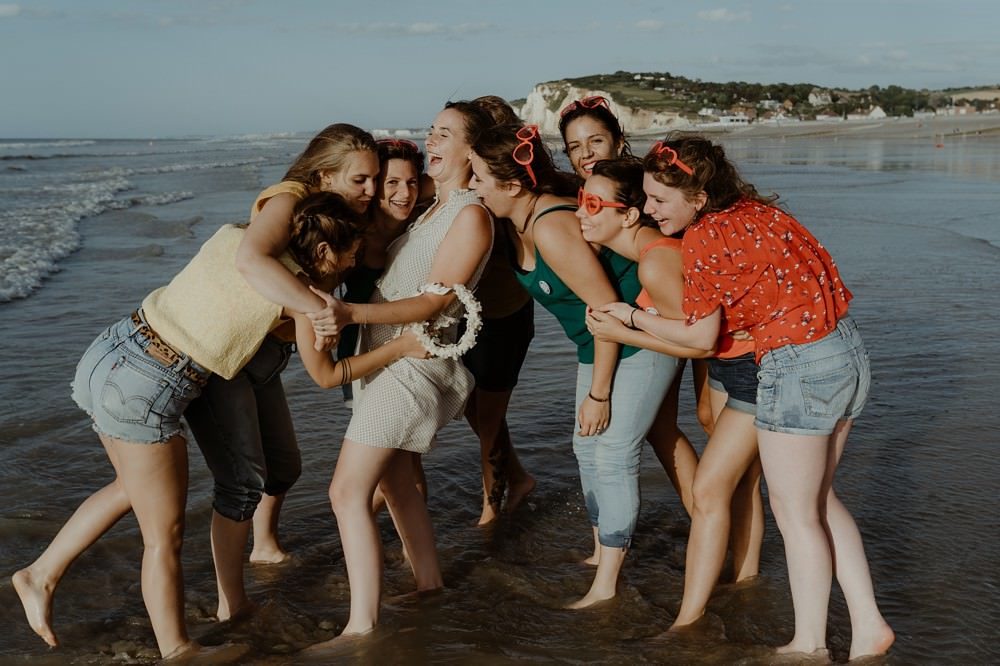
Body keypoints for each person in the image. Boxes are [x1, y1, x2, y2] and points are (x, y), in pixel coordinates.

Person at [12, 193, 426, 660]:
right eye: (352, 251)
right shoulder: (300, 296)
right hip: (152, 383)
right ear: (326, 250)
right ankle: (178, 650)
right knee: (163, 536)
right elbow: (327, 375)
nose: (353, 261)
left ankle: (40, 574)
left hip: (111, 353)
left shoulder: (236, 237)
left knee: (132, 487)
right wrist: (400, 347)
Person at [601, 134, 894, 659]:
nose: (649, 209)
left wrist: (630, 318)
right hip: (845, 350)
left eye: (660, 199)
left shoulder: (704, 237)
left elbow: (699, 338)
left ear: (699, 197)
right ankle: (868, 626)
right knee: (819, 501)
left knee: (795, 512)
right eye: (646, 197)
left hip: (797, 364)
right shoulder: (762, 213)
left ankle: (809, 645)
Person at [305, 101, 495, 643]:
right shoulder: (433, 209)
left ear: (471, 150)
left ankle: (360, 628)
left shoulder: (470, 215)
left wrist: (349, 313)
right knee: (398, 485)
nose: (431, 139)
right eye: (431, 131)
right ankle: (429, 584)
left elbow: (435, 303)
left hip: (414, 366)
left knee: (346, 493)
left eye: (445, 134)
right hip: (388, 364)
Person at [469, 124, 679, 609]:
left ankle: (606, 585)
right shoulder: (513, 222)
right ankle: (601, 552)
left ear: (511, 185)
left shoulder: (550, 226)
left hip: (638, 337)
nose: (473, 187)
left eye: (478, 177)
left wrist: (599, 394)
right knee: (585, 447)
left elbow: (606, 310)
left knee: (614, 453)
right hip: (597, 343)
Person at [183, 123, 379, 623]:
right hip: (236, 354)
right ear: (324, 175)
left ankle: (264, 545)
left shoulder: (335, 219)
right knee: (243, 481)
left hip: (271, 354)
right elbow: (250, 258)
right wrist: (319, 309)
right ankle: (231, 603)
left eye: (375, 179)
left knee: (284, 467)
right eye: (360, 179)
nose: (371, 190)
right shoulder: (289, 199)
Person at [582, 158, 765, 630]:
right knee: (737, 483)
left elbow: (697, 341)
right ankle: (743, 585)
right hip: (735, 363)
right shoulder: (655, 254)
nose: (580, 212)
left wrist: (625, 325)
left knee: (730, 487)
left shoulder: (656, 261)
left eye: (592, 203)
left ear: (628, 215)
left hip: (746, 365)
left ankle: (719, 599)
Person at [560, 95, 709, 516]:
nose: (586, 154)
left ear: (618, 140)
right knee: (660, 428)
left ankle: (713, 522)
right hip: (643, 326)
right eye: (574, 146)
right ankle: (708, 522)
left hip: (675, 317)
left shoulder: (646, 192)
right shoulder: (591, 195)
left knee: (696, 421)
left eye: (595, 141)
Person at [462, 95, 536, 525]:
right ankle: (519, 478)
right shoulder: (472, 182)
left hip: (503, 318)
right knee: (473, 410)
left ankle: (490, 508)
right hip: (471, 318)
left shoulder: (502, 187)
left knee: (488, 417)